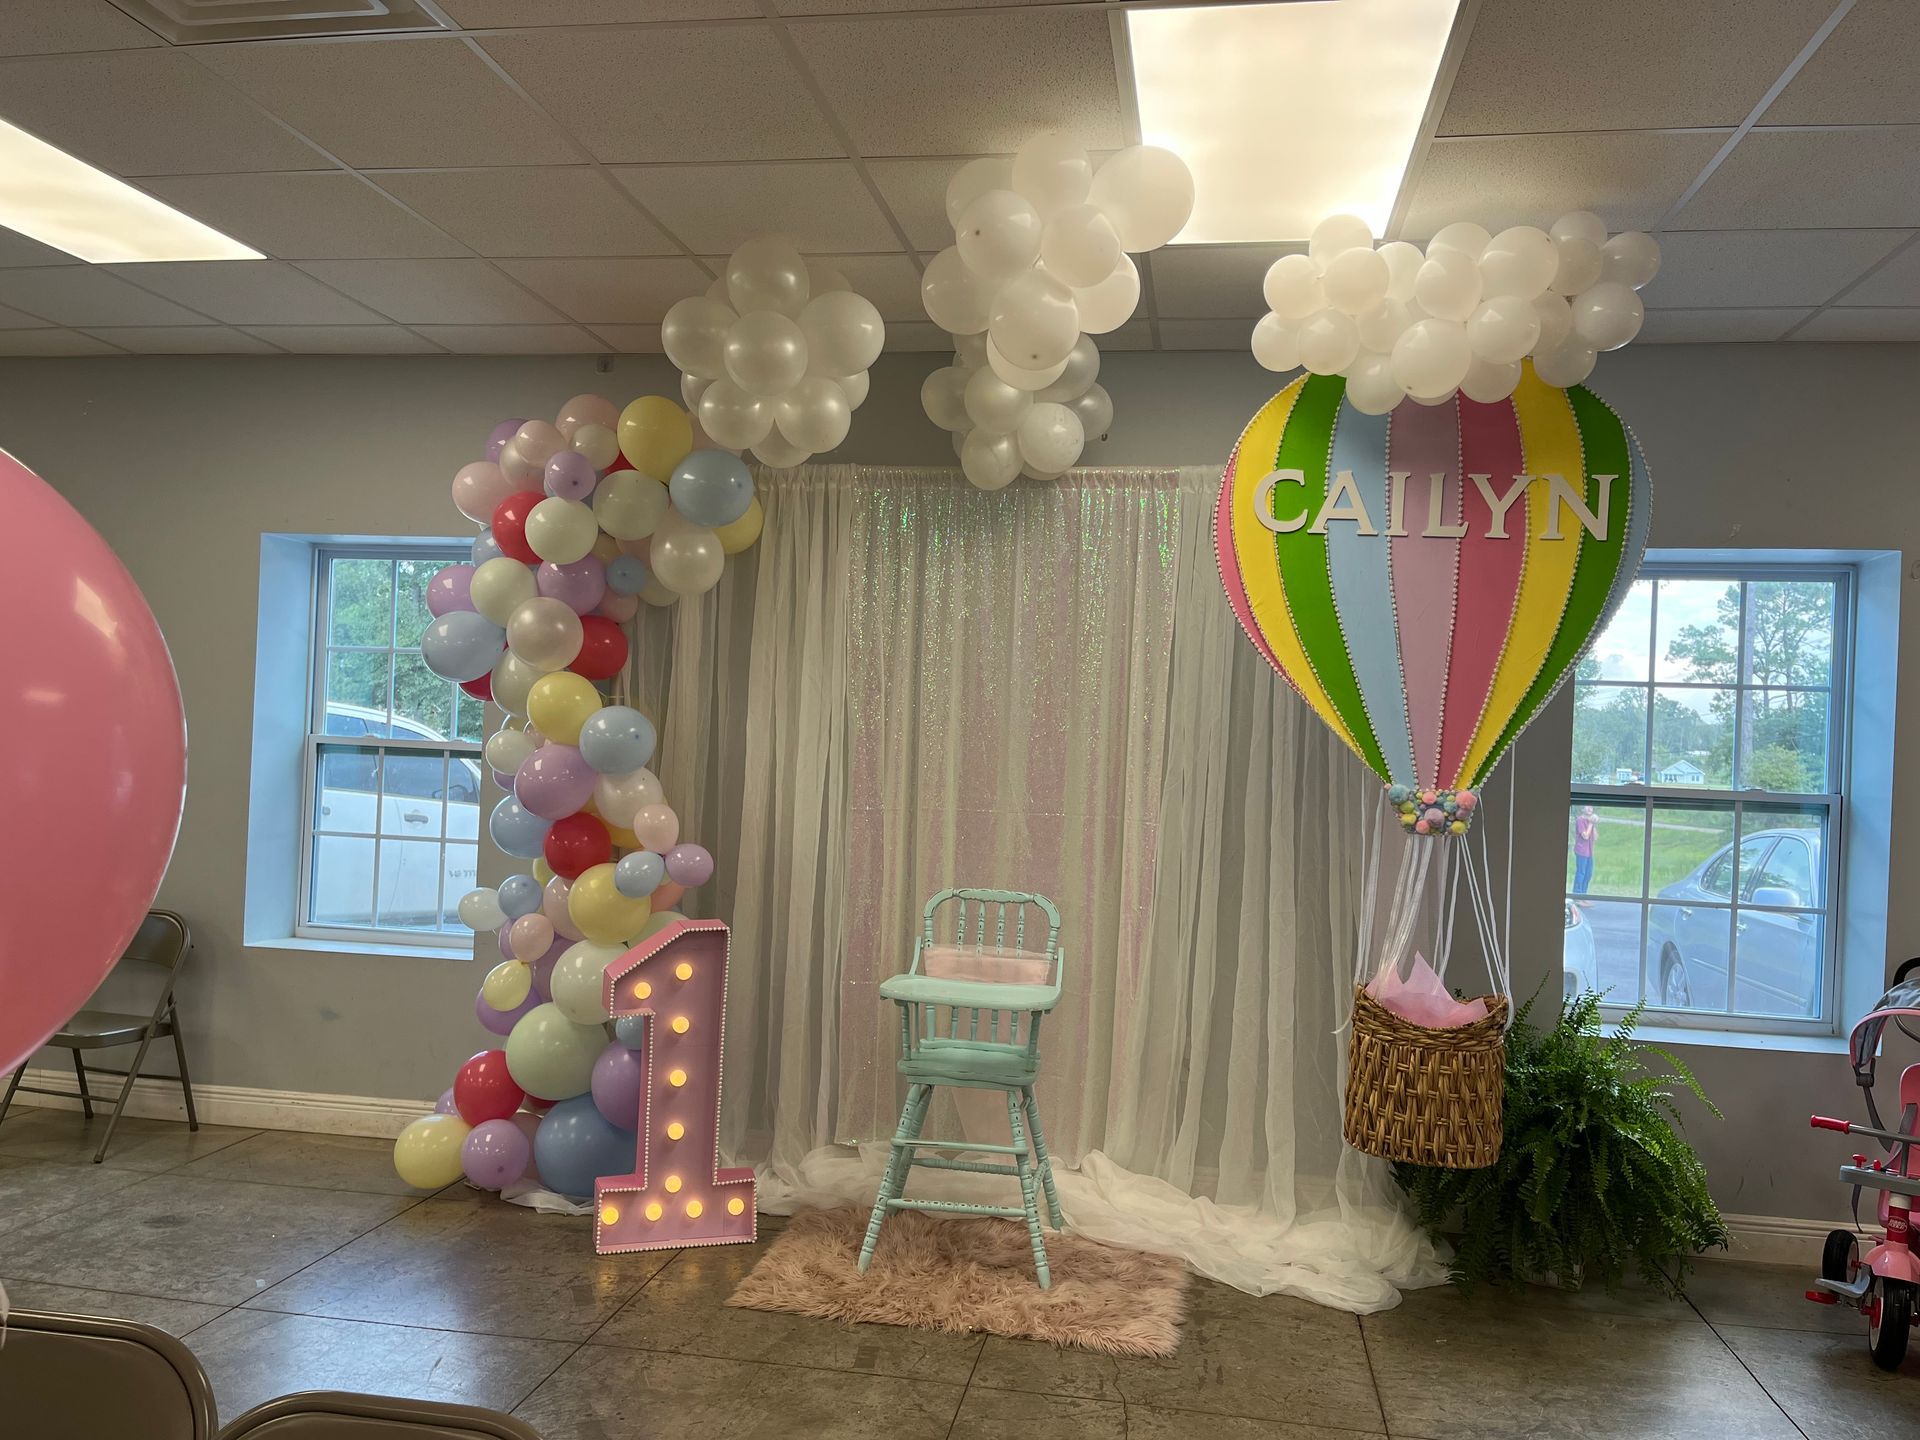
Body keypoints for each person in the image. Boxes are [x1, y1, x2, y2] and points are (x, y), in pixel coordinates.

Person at [1572, 805, 1598, 905]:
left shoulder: (1589, 822)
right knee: (1581, 873)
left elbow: (1595, 837)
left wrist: (1593, 824)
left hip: (1590, 852)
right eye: (1587, 807)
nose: (1590, 809)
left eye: (1591, 807)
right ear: (1583, 809)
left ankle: (1583, 895)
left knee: (1588, 874)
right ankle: (1577, 896)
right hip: (1581, 851)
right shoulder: (1580, 820)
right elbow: (1585, 836)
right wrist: (1591, 823)